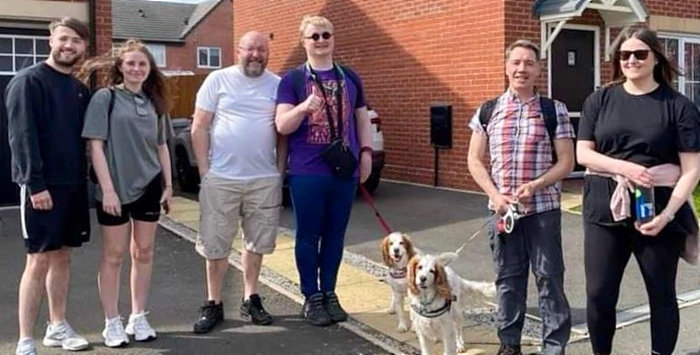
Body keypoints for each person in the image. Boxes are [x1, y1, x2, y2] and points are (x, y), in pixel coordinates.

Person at [577, 27, 700, 355]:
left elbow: (691, 169)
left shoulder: (678, 106)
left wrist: (668, 215)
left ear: (656, 57)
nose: (632, 60)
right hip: (604, 209)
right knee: (599, 295)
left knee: (661, 294)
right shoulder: (600, 99)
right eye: (625, 54)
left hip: (658, 211)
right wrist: (624, 168)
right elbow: (583, 154)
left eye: (640, 53)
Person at [467, 39, 574, 355]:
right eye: (516, 62)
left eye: (529, 63)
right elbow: (474, 159)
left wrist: (537, 185)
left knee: (549, 279)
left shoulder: (553, 110)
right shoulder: (489, 110)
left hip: (542, 210)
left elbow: (566, 161)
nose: (521, 69)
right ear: (506, 66)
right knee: (508, 280)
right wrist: (494, 195)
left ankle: (554, 347)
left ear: (539, 69)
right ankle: (509, 344)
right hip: (503, 214)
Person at [275, 15, 373, 327]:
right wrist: (304, 107)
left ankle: (329, 291)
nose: (320, 40)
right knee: (308, 235)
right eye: (314, 36)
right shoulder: (291, 80)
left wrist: (366, 154)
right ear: (304, 42)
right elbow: (281, 125)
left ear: (333, 38)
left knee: (335, 235)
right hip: (307, 170)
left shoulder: (350, 77)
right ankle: (311, 295)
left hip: (343, 169)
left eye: (326, 34)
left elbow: (362, 119)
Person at [5, 17, 92, 355]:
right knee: (38, 260)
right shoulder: (28, 82)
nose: (69, 46)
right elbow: (21, 137)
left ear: (84, 47)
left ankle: (57, 326)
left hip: (72, 186)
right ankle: (25, 339)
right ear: (51, 40)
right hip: (42, 187)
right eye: (64, 39)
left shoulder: (79, 89)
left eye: (76, 41)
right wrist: (36, 184)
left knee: (63, 257)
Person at [190, 31, 286, 334]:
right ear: (238, 51)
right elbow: (199, 126)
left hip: (263, 179)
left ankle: (250, 297)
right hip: (221, 178)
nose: (256, 54)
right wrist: (205, 170)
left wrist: (279, 171)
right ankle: (213, 302)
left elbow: (282, 133)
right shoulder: (217, 80)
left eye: (262, 50)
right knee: (215, 242)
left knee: (256, 242)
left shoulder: (278, 84)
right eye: (250, 49)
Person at [80, 39, 173, 347]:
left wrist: (169, 186)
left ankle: (138, 316)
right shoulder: (104, 98)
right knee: (114, 256)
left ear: (149, 69)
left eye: (142, 64)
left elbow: (161, 147)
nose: (136, 68)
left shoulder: (154, 102)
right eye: (131, 63)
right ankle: (112, 322)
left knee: (143, 253)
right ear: (120, 67)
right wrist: (106, 190)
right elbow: (95, 145)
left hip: (149, 186)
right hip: (114, 189)